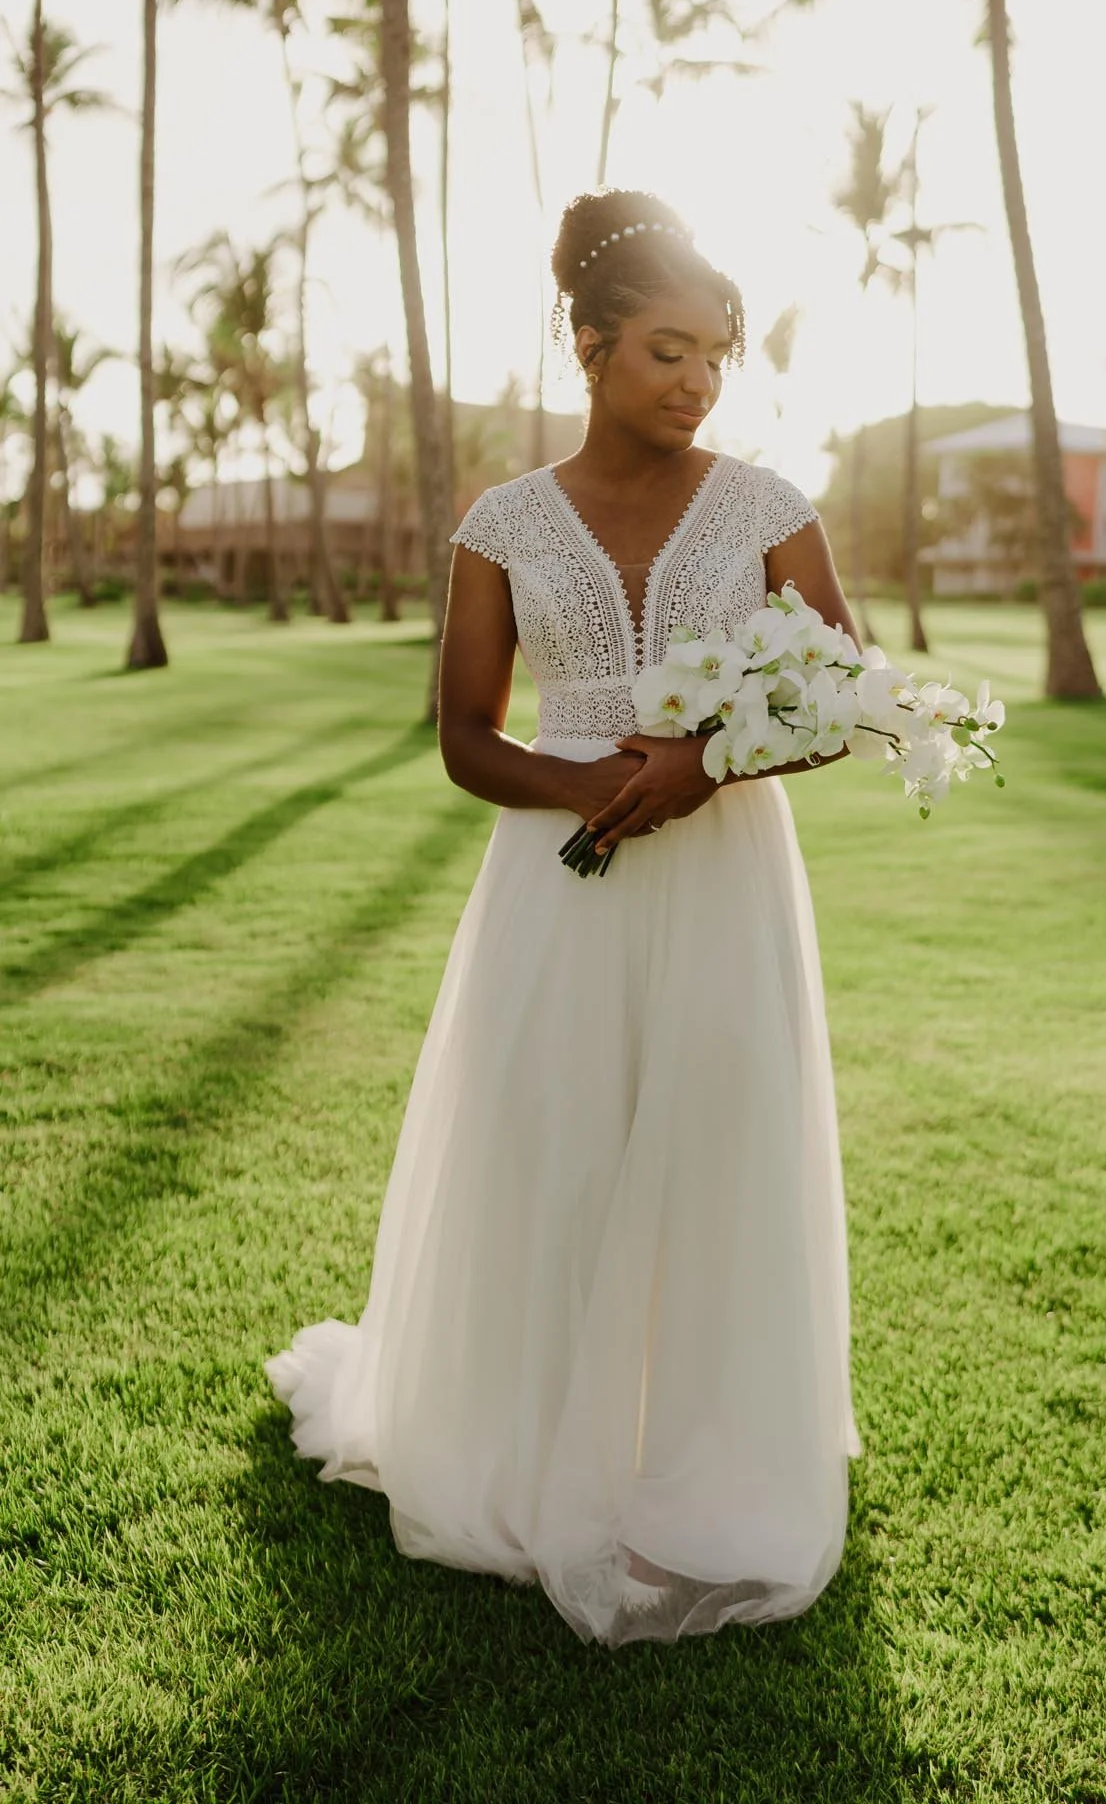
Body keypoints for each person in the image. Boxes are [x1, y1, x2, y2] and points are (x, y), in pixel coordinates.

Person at [265, 188, 863, 1647]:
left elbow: (838, 699)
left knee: (716, 1145)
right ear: (588, 345)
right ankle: (532, 1449)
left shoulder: (770, 509)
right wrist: (590, 782)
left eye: (716, 355)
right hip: (557, 878)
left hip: (725, 878)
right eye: (667, 350)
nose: (698, 380)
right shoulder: (505, 524)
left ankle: (703, 1465)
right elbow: (468, 738)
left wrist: (702, 766)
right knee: (555, 1149)